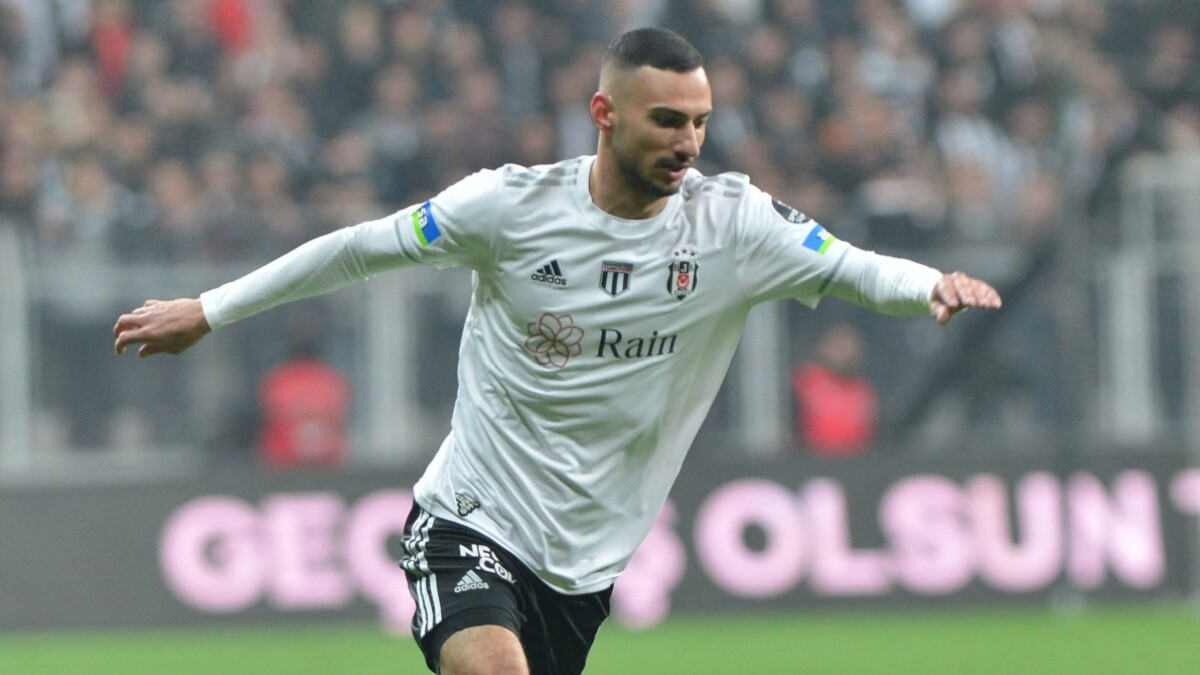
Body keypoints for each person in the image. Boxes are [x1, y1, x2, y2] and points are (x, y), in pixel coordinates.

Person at [114, 28, 1001, 675]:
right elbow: (358, 248)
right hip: (470, 519)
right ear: (604, 114)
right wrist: (209, 309)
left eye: (700, 122)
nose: (688, 144)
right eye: (667, 120)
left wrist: (929, 284)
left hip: (585, 564)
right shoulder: (509, 207)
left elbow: (849, 266)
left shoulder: (733, 224)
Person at [791, 321, 878, 456]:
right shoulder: (806, 380)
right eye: (839, 346)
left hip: (856, 459)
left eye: (850, 347)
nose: (845, 353)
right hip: (811, 458)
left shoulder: (863, 389)